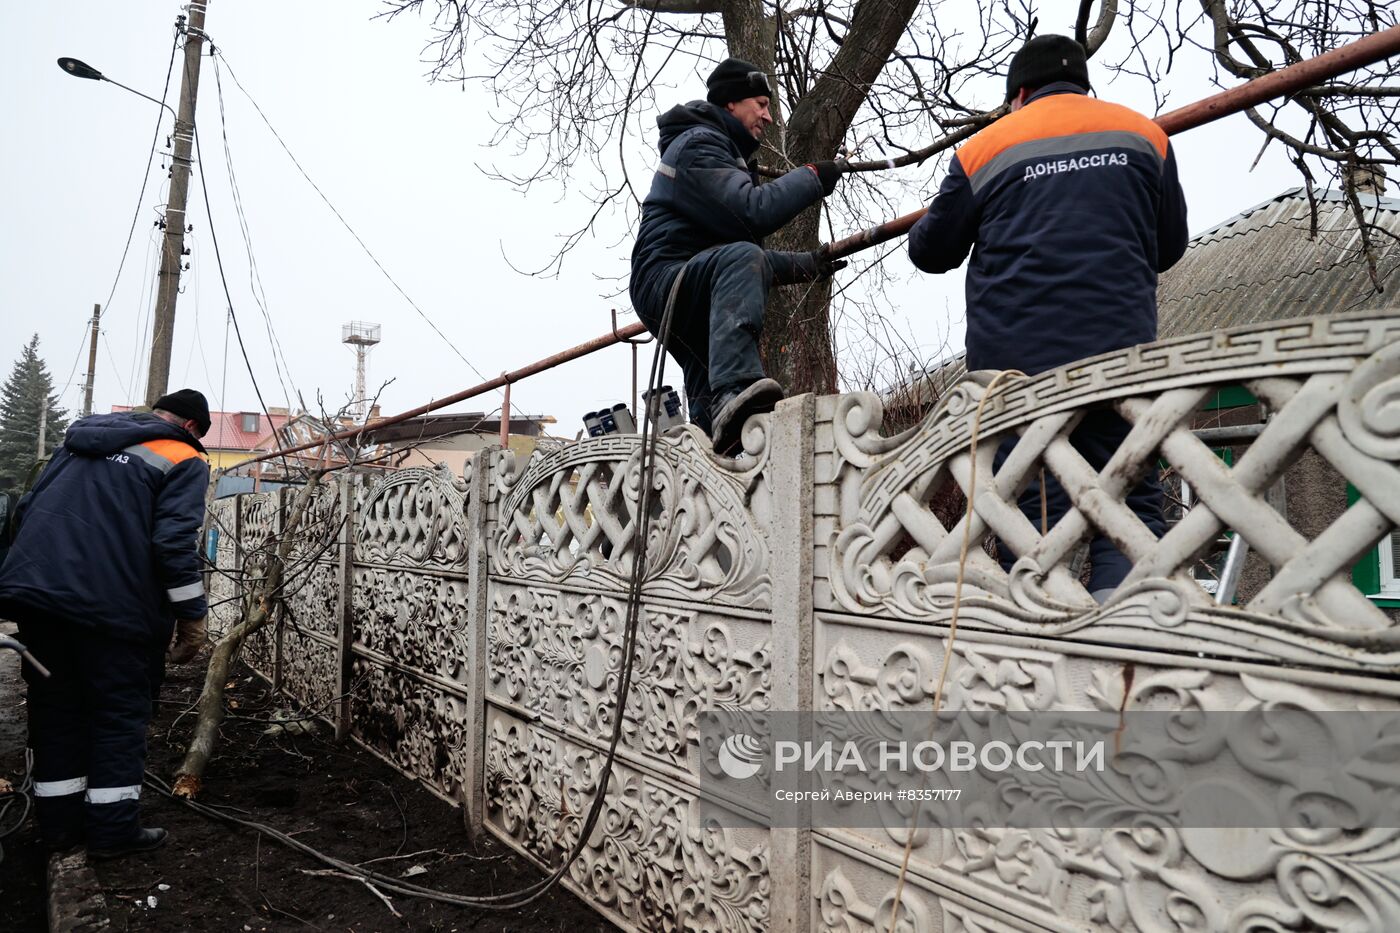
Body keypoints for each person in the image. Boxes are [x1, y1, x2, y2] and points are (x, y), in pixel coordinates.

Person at [908, 34, 1189, 600]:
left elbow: (929, 252)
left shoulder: (986, 148)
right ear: (1084, 86)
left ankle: (1043, 650)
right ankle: (1129, 641)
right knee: (1128, 511)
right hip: (1122, 365)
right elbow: (1170, 245)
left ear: (1019, 95)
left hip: (1022, 380)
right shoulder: (1146, 135)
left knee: (1033, 523)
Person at [0, 389, 212, 857]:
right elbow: (174, 545)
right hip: (111, 613)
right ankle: (112, 832)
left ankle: (58, 829)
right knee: (118, 715)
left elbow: (26, 512)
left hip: (39, 604)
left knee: (56, 713)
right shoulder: (182, 456)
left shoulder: (77, 442)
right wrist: (192, 617)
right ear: (193, 428)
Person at [630, 57, 847, 453]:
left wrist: (808, 265)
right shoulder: (698, 145)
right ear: (732, 102)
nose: (768, 116)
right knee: (740, 259)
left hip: (694, 285)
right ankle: (735, 392)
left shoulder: (722, 154)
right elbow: (753, 214)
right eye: (761, 104)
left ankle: (715, 451)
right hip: (667, 279)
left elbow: (748, 260)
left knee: (709, 395)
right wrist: (812, 176)